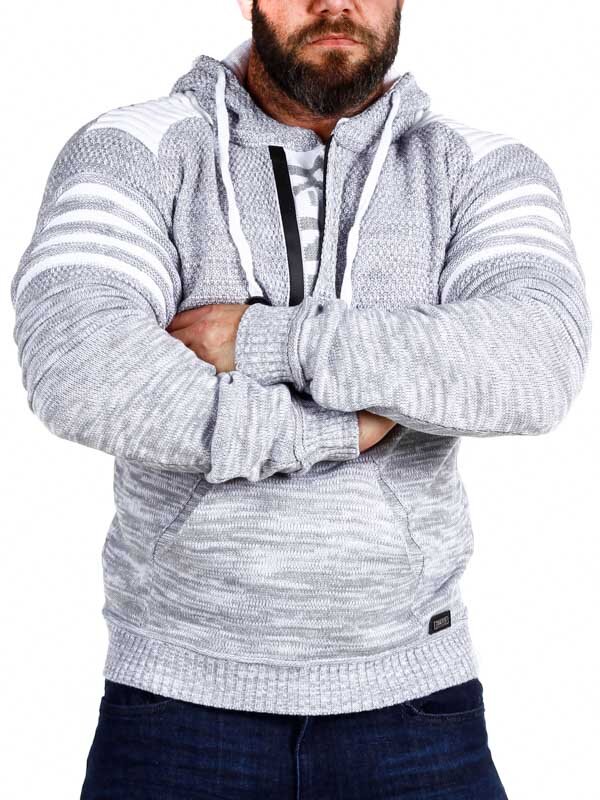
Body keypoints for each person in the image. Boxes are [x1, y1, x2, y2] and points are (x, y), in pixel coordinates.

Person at [10, 0, 591, 797]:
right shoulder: (134, 148)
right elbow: (81, 368)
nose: (334, 4)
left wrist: (264, 340)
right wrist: (338, 431)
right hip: (175, 706)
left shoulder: (481, 166)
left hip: (416, 704)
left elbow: (536, 363)